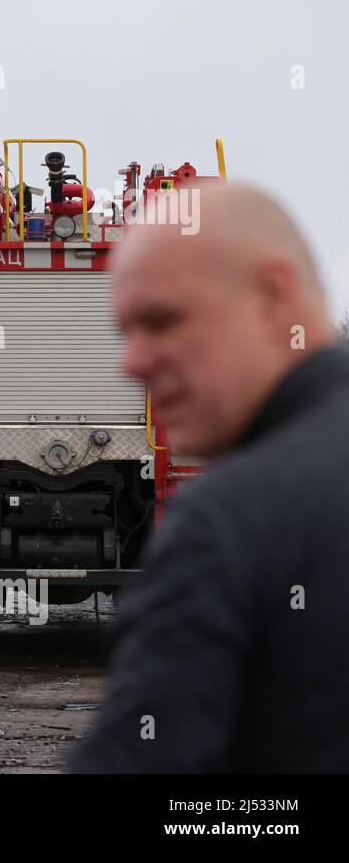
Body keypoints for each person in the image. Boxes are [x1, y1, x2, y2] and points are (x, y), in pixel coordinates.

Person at [70, 180, 349, 772]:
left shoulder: (230, 522)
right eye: (126, 332)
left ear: (273, 296)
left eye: (164, 321)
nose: (131, 363)